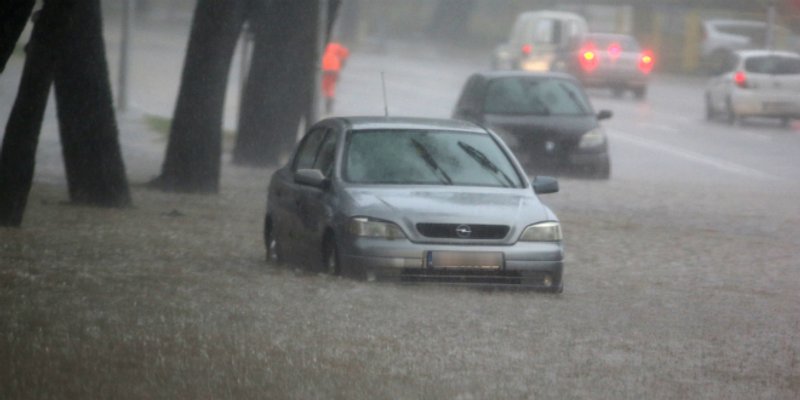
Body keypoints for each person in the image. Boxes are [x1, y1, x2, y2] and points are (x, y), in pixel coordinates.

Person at [322, 41, 349, 114]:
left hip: (324, 67)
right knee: (330, 88)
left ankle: (322, 105)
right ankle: (328, 107)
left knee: (323, 87)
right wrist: (339, 72)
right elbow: (344, 60)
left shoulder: (324, 44)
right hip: (334, 68)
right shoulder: (341, 48)